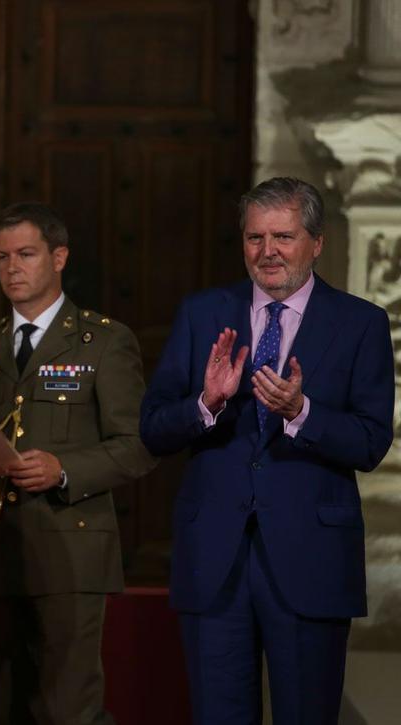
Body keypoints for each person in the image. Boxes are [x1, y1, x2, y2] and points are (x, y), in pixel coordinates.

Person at [140, 177, 394, 724]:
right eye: (255, 238)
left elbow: (372, 442)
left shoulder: (361, 323)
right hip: (216, 563)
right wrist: (205, 403)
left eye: (283, 236)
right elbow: (153, 430)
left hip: (310, 560)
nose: (268, 252)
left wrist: (301, 413)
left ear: (317, 242)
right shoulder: (203, 314)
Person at [0, 202, 155, 725]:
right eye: (2, 256)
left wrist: (65, 469)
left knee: (68, 710)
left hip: (71, 549)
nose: (12, 268)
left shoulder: (104, 340)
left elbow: (138, 445)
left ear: (59, 257)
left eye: (26, 254)